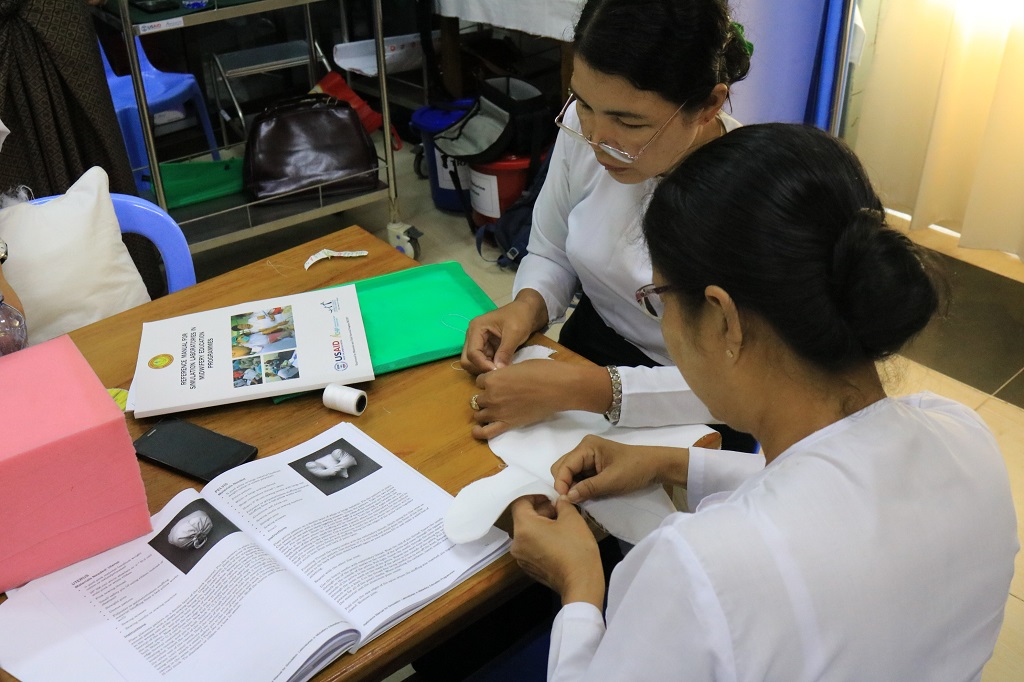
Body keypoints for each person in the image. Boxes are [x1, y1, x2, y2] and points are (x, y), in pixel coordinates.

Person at [508, 123, 1019, 680]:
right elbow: (828, 492)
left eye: (659, 300)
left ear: (724, 318)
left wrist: (579, 585)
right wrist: (672, 463)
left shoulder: (701, 571)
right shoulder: (962, 433)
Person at [461, 0, 756, 450]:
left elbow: (752, 383)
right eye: (583, 103)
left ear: (708, 106)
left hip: (700, 404)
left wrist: (587, 390)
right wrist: (527, 306)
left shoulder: (753, 196)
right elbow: (551, 248)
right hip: (590, 347)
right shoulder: (591, 130)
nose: (598, 140)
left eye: (630, 121)